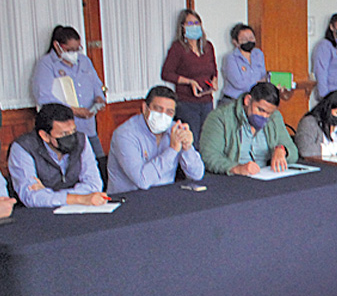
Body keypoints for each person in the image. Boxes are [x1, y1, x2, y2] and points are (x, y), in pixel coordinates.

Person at [7, 103, 106, 207]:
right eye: (64, 134)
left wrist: (48, 194)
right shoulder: (23, 148)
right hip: (39, 214)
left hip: (78, 209)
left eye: (73, 131)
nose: (71, 137)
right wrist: (80, 198)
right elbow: (30, 197)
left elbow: (95, 185)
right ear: (45, 136)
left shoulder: (81, 140)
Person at [107, 86, 204, 193]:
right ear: (145, 108)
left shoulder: (174, 129)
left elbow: (197, 174)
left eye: (169, 112)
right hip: (129, 198)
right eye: (158, 109)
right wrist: (172, 150)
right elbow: (142, 181)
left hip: (165, 195)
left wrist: (187, 148)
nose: (163, 115)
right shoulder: (125, 134)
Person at [32, 26, 107, 155]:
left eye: (77, 49)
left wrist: (99, 97)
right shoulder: (46, 64)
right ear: (57, 46)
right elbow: (43, 97)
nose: (74, 53)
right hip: (64, 130)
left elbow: (96, 83)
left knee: (99, 160)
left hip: (88, 126)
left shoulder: (84, 61)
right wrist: (74, 111)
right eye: (70, 50)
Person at [198, 82, 297, 176]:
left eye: (269, 113)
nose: (264, 116)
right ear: (248, 101)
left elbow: (293, 152)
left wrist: (282, 150)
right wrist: (236, 168)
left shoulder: (274, 118)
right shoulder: (221, 117)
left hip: (266, 177)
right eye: (260, 110)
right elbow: (208, 156)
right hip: (233, 179)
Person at [161, 9, 218, 144]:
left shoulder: (208, 47)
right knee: (192, 140)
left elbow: (213, 70)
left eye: (196, 23)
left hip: (206, 101)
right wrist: (189, 82)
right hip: (187, 103)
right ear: (183, 26)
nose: (194, 26)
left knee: (207, 139)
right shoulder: (178, 48)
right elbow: (166, 73)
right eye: (190, 23)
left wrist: (215, 81)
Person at [220, 23, 267, 105]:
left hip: (252, 101)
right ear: (235, 42)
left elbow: (263, 75)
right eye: (244, 39)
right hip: (232, 101)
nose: (249, 41)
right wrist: (259, 84)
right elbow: (239, 83)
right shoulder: (230, 58)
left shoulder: (258, 54)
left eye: (251, 38)